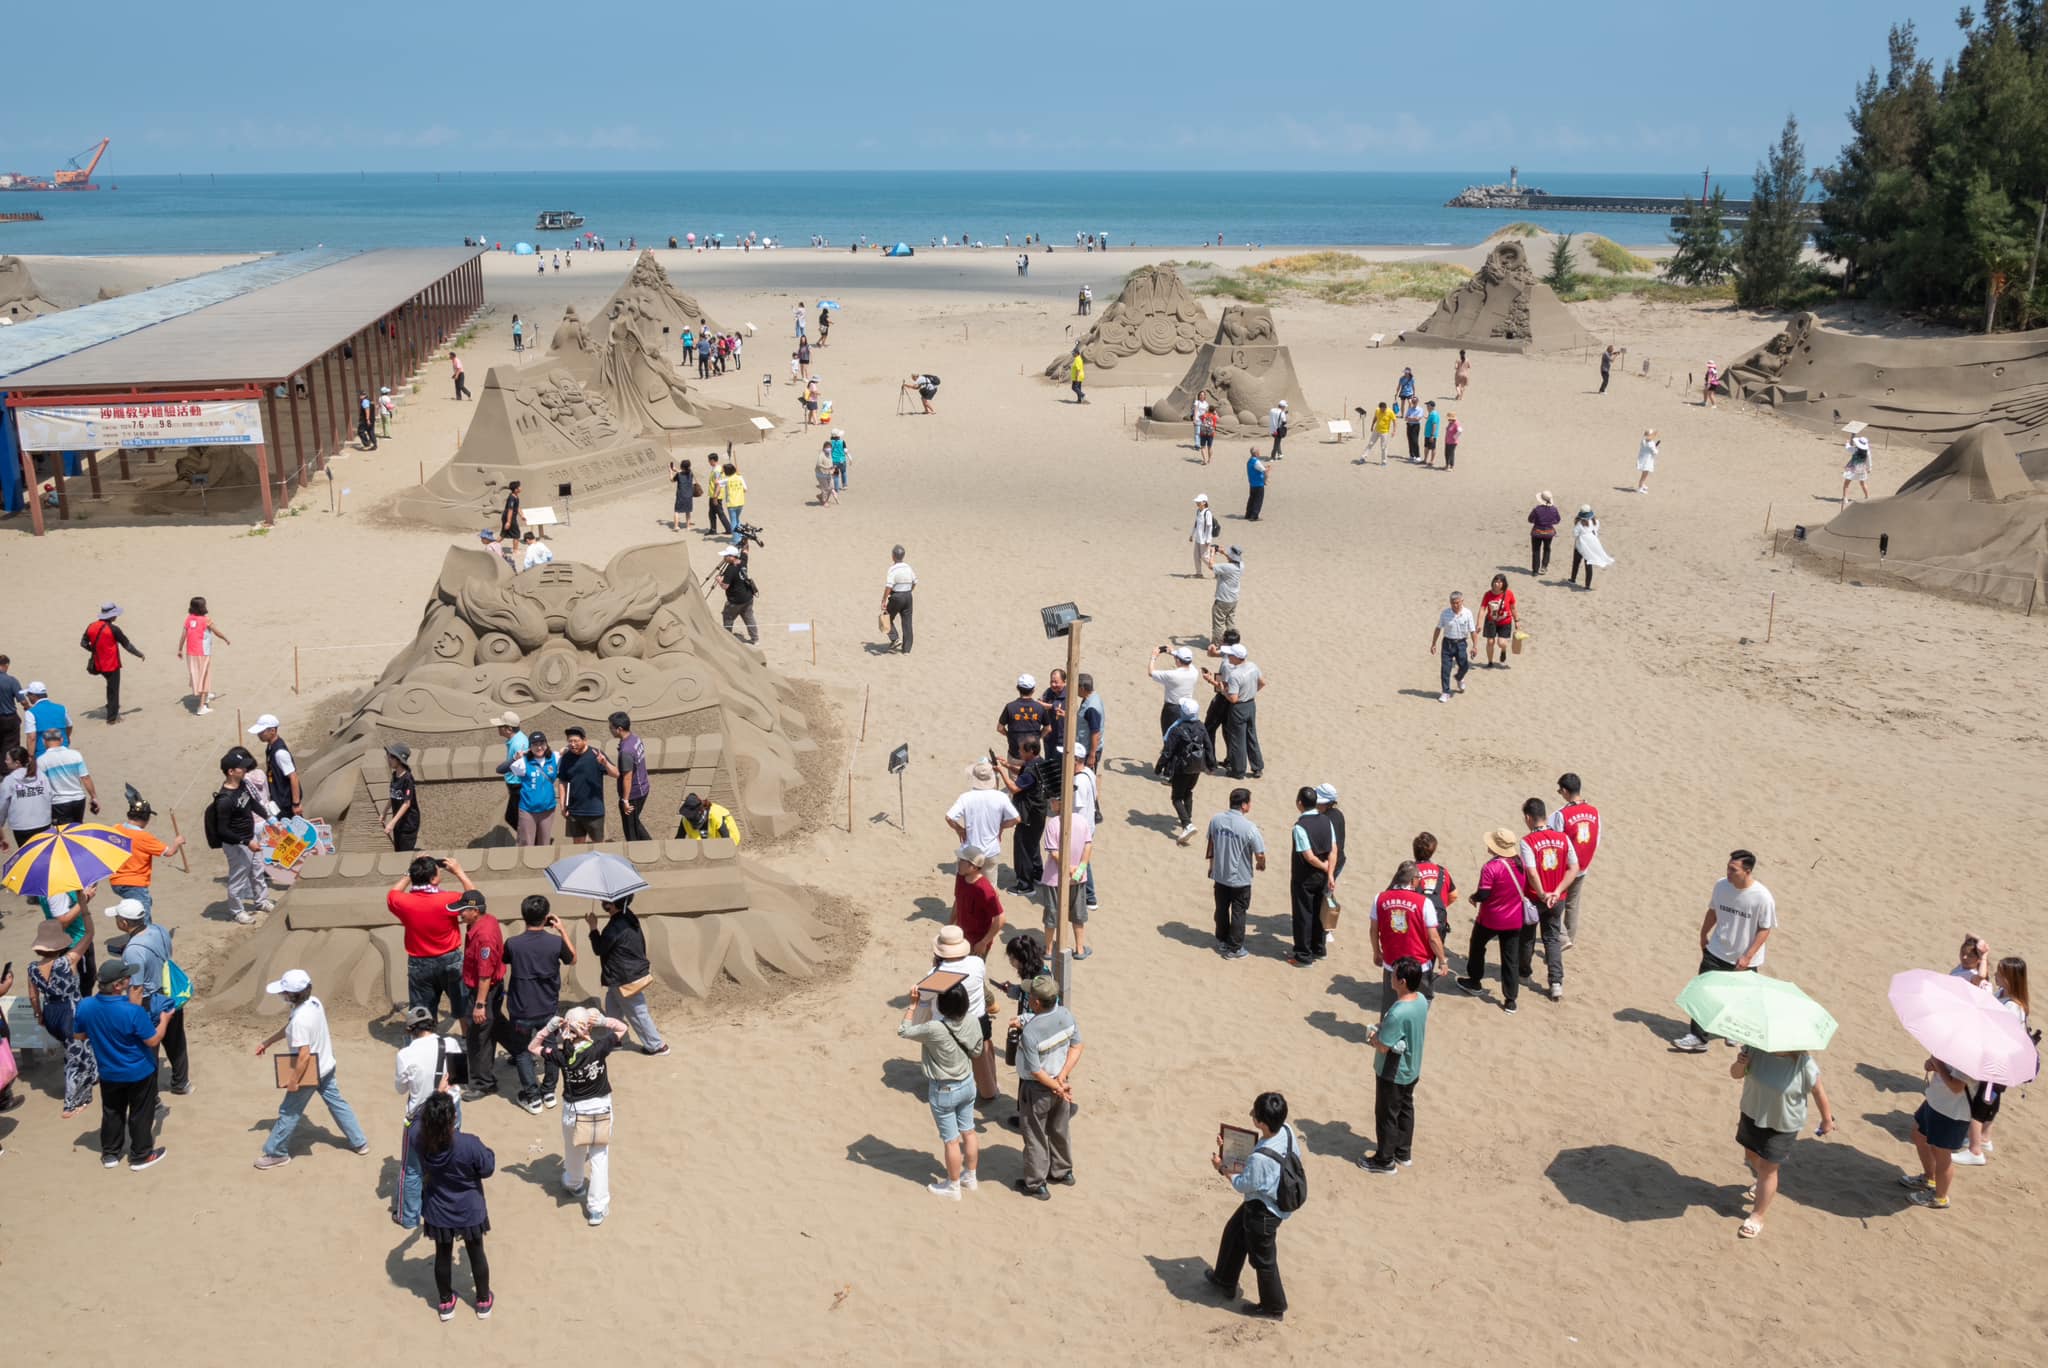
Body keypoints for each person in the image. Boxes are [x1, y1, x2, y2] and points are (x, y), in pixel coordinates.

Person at [253, 968, 370, 1168]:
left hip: (308, 1072)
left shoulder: (300, 1020)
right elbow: (290, 1028)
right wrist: (268, 1041)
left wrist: (293, 1081)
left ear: (291, 994)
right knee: (337, 1103)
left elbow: (304, 1055)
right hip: (327, 1065)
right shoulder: (314, 1002)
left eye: (283, 992)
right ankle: (359, 1142)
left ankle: (276, 1153)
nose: (281, 995)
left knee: (289, 1110)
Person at [530, 1006, 630, 1225]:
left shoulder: (560, 1054)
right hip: (600, 1110)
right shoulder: (599, 1047)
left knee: (573, 1149)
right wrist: (603, 1020)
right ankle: (597, 1208)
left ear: (565, 1027)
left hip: (573, 1113)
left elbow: (533, 1047)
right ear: (588, 1026)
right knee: (599, 1157)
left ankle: (574, 1183)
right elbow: (623, 1028)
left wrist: (548, 1028)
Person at [1204, 1089, 1295, 1320]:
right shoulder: (1286, 1131)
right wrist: (1231, 1146)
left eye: (1254, 1113)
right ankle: (1224, 1279)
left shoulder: (1260, 1159)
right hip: (1265, 1200)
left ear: (1262, 1123)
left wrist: (1222, 1167)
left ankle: (1274, 1307)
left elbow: (1243, 1184)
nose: (1251, 1115)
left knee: (1263, 1259)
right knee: (1234, 1232)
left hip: (1264, 1211)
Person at [74, 960, 173, 1169]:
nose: (131, 980)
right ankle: (141, 1155)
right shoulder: (132, 1011)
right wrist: (165, 1018)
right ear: (118, 985)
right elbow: (153, 1040)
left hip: (109, 1072)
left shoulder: (85, 1006)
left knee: (112, 1112)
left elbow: (79, 1035)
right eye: (127, 977)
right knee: (140, 1113)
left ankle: (110, 1154)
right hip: (139, 1071)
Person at [1675, 851, 1778, 1051]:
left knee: (1739, 998)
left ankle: (1733, 1032)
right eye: (1728, 868)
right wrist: (1703, 934)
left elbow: (1765, 929)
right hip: (1716, 949)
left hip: (1745, 959)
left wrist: (1748, 956)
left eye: (1734, 870)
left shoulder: (1762, 897)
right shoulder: (1721, 886)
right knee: (1702, 993)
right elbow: (1713, 911)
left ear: (1747, 871)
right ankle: (1698, 1037)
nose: (1728, 873)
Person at [1730, 1044, 1835, 1238]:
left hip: (1783, 1125)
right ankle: (1761, 1181)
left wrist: (1827, 1119)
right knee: (1751, 1155)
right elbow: (1736, 1074)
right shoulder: (1754, 1050)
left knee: (1768, 1170)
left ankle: (1757, 1216)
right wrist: (1740, 1063)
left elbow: (1819, 1092)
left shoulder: (1804, 1064)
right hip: (1752, 1113)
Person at [898, 978, 986, 1199]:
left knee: (951, 1140)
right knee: (969, 1130)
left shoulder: (935, 1028)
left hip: (944, 1089)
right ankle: (970, 1177)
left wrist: (912, 1005)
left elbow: (904, 1031)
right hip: (967, 1083)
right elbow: (976, 1051)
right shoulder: (973, 1021)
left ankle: (953, 1186)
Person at [414, 1091, 496, 1320]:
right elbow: (488, 1167)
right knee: (476, 1252)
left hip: (438, 1208)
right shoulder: (468, 1143)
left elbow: (413, 1124)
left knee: (442, 1254)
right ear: (453, 1119)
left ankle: (445, 1303)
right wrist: (487, 1153)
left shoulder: (420, 1141)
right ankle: (482, 1301)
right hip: (469, 1209)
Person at [109, 896, 191, 1094]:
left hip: (149, 1001)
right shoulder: (160, 930)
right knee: (176, 1041)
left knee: (147, 1051)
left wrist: (131, 1020)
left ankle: (151, 1098)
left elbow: (136, 989)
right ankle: (181, 1083)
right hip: (169, 994)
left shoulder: (133, 951)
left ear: (124, 922)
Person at [504, 895, 577, 1113]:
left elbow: (505, 959)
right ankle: (548, 1092)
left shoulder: (513, 943)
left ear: (523, 915)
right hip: (548, 1007)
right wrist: (562, 930)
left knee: (523, 1052)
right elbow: (572, 958)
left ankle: (533, 1097)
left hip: (521, 1009)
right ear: (546, 918)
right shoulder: (555, 942)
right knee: (551, 1049)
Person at [392, 1005, 463, 1228]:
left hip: (421, 1116)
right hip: (451, 1112)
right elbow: (460, 1075)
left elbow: (401, 1089)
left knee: (411, 1168)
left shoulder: (405, 1054)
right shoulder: (450, 1043)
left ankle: (409, 1218)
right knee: (448, 1161)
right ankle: (447, 1208)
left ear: (410, 1029)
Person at [1014, 975, 1083, 1198]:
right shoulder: (1066, 1015)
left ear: (1035, 1002)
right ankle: (1063, 1172)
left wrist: (1056, 1085)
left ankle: (1036, 1183)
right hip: (1061, 1084)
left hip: (1037, 1090)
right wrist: (1062, 1079)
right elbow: (1077, 1046)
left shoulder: (1031, 1033)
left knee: (1035, 1136)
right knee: (1059, 1129)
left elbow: (1036, 1071)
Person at [1957, 957, 2030, 1165]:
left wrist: (1988, 1004)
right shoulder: (2002, 995)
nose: (1996, 975)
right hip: (1996, 1059)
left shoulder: (2015, 1007)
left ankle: (1975, 1150)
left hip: (1998, 1062)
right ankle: (1985, 1138)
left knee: (1980, 1102)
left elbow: (1999, 1029)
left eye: (2000, 972)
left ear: (2009, 978)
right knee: (1992, 1099)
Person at [387, 854, 477, 1019]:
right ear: (434, 879)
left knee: (422, 1012)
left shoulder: (401, 902)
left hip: (419, 963)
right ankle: (465, 1040)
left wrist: (412, 870)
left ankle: (424, 1041)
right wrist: (459, 872)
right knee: (463, 1004)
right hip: (451, 959)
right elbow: (475, 900)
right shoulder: (449, 900)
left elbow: (393, 892)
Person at [1361, 958, 1430, 1173]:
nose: (1390, 975)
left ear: (1401, 981)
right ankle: (1403, 1152)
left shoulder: (1399, 1012)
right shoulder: (1420, 1000)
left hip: (1393, 1072)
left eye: (1393, 974)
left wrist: (1373, 1036)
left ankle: (1384, 1160)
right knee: (1406, 1109)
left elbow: (1383, 1046)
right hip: (1412, 1067)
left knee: (1386, 1115)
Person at [1454, 829, 1531, 1014]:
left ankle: (1474, 981)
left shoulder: (1491, 867)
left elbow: (1484, 893)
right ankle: (1510, 999)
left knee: (1477, 946)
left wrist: (1474, 897)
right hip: (1514, 918)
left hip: (1491, 918)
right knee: (1510, 958)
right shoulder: (1520, 863)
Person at [30, 919, 98, 1115]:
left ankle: (93, 1075)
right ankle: (72, 1102)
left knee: (82, 1046)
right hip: (71, 1012)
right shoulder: (68, 961)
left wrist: (40, 1016)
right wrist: (84, 906)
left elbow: (34, 996)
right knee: (75, 1055)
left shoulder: (32, 968)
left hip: (51, 1012)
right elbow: (89, 933)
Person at [585, 896, 667, 1055]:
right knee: (612, 1006)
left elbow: (599, 949)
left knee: (637, 1012)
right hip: (625, 973)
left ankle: (657, 1046)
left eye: (606, 901)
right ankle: (614, 1039)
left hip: (624, 977)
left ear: (612, 905)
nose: (603, 903)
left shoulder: (615, 926)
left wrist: (593, 927)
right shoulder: (628, 916)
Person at [1516, 798, 1579, 1002]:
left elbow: (1532, 873)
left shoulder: (1528, 841)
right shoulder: (1563, 838)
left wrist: (1543, 893)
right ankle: (1556, 982)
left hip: (1535, 898)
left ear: (1528, 818)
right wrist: (1557, 891)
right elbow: (1574, 868)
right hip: (1557, 898)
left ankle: (1524, 973)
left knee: (1527, 936)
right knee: (1552, 938)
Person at [1901, 1054, 1976, 1210]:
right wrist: (1931, 1063)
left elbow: (1956, 1087)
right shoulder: (1949, 1043)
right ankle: (1930, 1178)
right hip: (1936, 1100)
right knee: (1918, 1135)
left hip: (1952, 1112)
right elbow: (1938, 1066)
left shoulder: (1971, 1055)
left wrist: (1938, 1065)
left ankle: (1940, 1197)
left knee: (1941, 1153)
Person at [210, 747, 272, 923]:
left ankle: (261, 901)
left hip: (249, 837)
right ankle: (237, 911)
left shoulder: (242, 785)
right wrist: (245, 841)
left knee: (257, 870)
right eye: (241, 768)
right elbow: (223, 831)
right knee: (239, 876)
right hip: (236, 843)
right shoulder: (224, 800)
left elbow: (252, 803)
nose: (245, 769)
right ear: (231, 772)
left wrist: (269, 818)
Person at [1371, 864, 1445, 1005]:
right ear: (1413, 880)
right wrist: (1442, 960)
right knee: (1421, 1002)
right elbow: (1433, 938)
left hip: (1391, 962)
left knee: (1390, 1004)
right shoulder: (1424, 903)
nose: (1420, 881)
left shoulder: (1379, 899)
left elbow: (1373, 930)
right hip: (1418, 964)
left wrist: (1377, 952)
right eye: (1419, 878)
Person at [1206, 786, 1266, 959]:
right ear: (1245, 805)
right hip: (1240, 879)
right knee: (1239, 911)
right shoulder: (1249, 828)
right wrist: (1261, 864)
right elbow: (1260, 853)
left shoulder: (1216, 820)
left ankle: (1222, 940)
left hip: (1220, 875)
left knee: (1221, 909)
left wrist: (1211, 867)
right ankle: (1235, 948)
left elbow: (1211, 846)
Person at [457, 891, 504, 1099]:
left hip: (483, 991)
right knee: (488, 1033)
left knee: (478, 1038)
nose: (460, 914)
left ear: (475, 911)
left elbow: (484, 974)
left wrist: (480, 1004)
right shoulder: (486, 921)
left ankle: (482, 1084)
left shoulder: (483, 937)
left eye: (463, 910)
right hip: (486, 989)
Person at [1037, 788, 1094, 958]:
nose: (1051, 803)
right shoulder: (1082, 821)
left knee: (1051, 914)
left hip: (1055, 878)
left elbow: (1054, 852)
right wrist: (1080, 867)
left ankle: (1048, 950)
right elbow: (1088, 845)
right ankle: (1080, 948)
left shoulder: (1053, 824)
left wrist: (1068, 867)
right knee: (1078, 913)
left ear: (1060, 802)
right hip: (1078, 878)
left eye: (1053, 800)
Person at [107, 793, 181, 921]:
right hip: (134, 883)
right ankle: (142, 939)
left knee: (138, 908)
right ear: (146, 819)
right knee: (142, 917)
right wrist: (177, 843)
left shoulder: (115, 828)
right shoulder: (144, 837)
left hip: (116, 881)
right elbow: (169, 852)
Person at [1285, 787, 1336, 966]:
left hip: (1305, 878)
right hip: (1322, 878)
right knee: (1319, 913)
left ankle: (1303, 955)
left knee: (1303, 915)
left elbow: (1309, 856)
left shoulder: (1299, 827)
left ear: (1300, 803)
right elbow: (1333, 849)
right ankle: (1319, 948)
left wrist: (1323, 867)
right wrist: (1329, 873)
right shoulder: (1326, 821)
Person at [1549, 774, 1600, 949]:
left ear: (1564, 790)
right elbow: (1596, 838)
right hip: (1583, 865)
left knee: (1552, 900)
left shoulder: (1561, 814)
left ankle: (1562, 937)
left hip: (1566, 867)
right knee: (1573, 903)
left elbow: (1555, 842)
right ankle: (1569, 936)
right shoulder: (1594, 811)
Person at [995, 737, 1049, 894]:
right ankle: (1038, 874)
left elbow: (1014, 788)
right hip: (1039, 811)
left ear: (1031, 751)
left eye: (1022, 750)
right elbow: (1022, 772)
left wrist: (1001, 771)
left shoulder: (1031, 770)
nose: (1019, 752)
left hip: (1029, 813)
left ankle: (1025, 884)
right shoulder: (1039, 763)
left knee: (1023, 845)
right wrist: (1007, 765)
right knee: (1032, 844)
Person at [1157, 698, 1214, 844]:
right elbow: (1208, 746)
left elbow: (1168, 751)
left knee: (1176, 797)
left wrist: (1159, 767)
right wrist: (1211, 764)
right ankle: (1188, 817)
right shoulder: (1200, 726)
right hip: (1197, 765)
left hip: (1181, 767)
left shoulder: (1177, 730)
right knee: (1188, 792)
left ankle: (1187, 825)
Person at [1207, 643, 1265, 781]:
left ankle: (1238, 771)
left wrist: (1221, 689)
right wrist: (1250, 693)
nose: (1228, 657)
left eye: (1231, 655)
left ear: (1236, 657)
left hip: (1239, 708)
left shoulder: (1235, 675)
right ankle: (1257, 767)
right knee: (1251, 735)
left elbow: (1233, 698)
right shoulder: (1253, 666)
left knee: (1237, 739)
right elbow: (1262, 683)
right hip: (1251, 704)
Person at [81, 603, 144, 725]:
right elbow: (127, 645)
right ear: (111, 616)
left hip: (98, 664)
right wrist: (139, 654)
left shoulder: (91, 626)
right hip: (112, 664)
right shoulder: (114, 629)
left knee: (110, 686)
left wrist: (94, 650)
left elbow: (83, 643)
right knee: (113, 690)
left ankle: (110, 705)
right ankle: (112, 718)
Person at [556, 726, 618, 845]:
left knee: (599, 846)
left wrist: (605, 763)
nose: (573, 744)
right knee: (578, 847)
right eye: (570, 741)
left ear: (585, 740)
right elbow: (562, 782)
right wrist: (562, 806)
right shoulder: (566, 757)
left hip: (594, 811)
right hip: (574, 811)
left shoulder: (596, 755)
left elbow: (616, 774)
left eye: (576, 741)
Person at [947, 759, 1021, 853]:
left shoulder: (965, 798)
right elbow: (1016, 819)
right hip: (992, 851)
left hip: (971, 851)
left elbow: (949, 818)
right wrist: (1001, 826)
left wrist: (960, 830)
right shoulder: (1001, 797)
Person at [176, 596, 228, 715]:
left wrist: (179, 649)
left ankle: (206, 694)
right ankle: (201, 707)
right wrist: (225, 638)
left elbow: (183, 635)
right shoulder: (206, 620)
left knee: (196, 675)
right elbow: (216, 631)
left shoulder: (189, 619)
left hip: (190, 653)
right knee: (204, 678)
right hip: (203, 653)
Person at [39, 727, 98, 825]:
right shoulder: (75, 755)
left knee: (63, 833)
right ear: (61, 739)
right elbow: (85, 777)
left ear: (43, 741)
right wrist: (94, 797)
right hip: (78, 800)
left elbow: (42, 785)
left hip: (59, 802)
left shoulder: (42, 760)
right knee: (77, 828)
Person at [509, 731, 560, 845]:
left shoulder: (555, 757)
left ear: (546, 744)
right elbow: (500, 769)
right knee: (526, 844)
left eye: (542, 743)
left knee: (544, 844)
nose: (539, 747)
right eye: (535, 744)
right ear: (530, 747)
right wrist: (514, 758)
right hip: (528, 810)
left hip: (547, 810)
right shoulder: (524, 761)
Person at [249, 713, 304, 818]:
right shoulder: (270, 747)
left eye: (262, 731)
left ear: (273, 731)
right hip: (279, 801)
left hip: (287, 804)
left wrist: (296, 804)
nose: (259, 734)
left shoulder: (280, 753)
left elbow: (293, 777)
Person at [1429, 589, 1476, 704]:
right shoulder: (1445, 613)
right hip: (1447, 644)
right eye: (1453, 603)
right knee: (1445, 669)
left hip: (1461, 643)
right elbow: (1438, 628)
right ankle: (1445, 692)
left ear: (1462, 601)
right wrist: (1433, 643)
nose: (1455, 605)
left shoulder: (1467, 613)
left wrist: (1475, 646)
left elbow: (1472, 631)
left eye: (1457, 602)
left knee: (1464, 665)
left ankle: (1459, 677)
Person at [0, 744, 52, 847]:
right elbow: (50, 795)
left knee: (27, 856)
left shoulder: (9, 780)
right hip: (43, 823)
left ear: (17, 763)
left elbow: (2, 806)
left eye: (7, 759)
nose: (5, 762)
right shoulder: (40, 776)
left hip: (22, 827)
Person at [1413, 832, 1457, 943]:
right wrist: (1440, 903)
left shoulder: (1410, 871)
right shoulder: (1443, 872)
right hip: (1437, 923)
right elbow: (1454, 895)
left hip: (1415, 923)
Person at [1148, 646, 1201, 737]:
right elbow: (1188, 663)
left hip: (1172, 710)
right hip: (1187, 709)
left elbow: (1151, 672)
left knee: (1169, 737)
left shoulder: (1173, 675)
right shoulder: (1194, 672)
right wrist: (1173, 652)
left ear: (1178, 660)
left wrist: (1153, 657)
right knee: (1184, 737)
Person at [715, 547, 760, 645]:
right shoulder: (742, 560)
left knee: (727, 617)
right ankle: (755, 639)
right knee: (749, 617)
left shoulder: (731, 569)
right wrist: (745, 539)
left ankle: (727, 640)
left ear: (732, 557)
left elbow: (725, 586)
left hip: (735, 601)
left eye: (726, 556)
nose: (724, 557)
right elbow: (746, 550)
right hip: (748, 597)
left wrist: (719, 580)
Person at [490, 711, 526, 831]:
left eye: (500, 726)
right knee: (514, 818)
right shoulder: (517, 739)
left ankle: (537, 841)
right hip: (516, 785)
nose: (498, 728)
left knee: (514, 818)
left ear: (509, 729)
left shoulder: (518, 744)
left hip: (518, 785)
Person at [997, 674, 1047, 760]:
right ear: (1033, 690)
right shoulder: (1039, 707)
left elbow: (1000, 728)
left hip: (1015, 752)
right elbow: (1048, 728)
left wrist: (1009, 735)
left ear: (1017, 688)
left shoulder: (1010, 707)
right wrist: (1038, 737)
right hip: (1033, 754)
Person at [383, 743, 421, 851]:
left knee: (405, 852)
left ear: (399, 759)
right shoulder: (395, 776)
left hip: (408, 823)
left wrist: (391, 823)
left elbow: (406, 803)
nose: (388, 759)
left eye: (391, 757)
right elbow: (393, 795)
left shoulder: (408, 779)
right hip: (398, 822)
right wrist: (384, 812)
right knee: (398, 850)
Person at [881, 545, 917, 653]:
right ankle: (906, 650)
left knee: (885, 618)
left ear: (893, 556)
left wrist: (884, 600)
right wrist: (909, 591)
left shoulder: (892, 569)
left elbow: (889, 586)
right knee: (907, 622)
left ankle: (895, 638)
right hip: (908, 596)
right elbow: (915, 582)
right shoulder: (908, 567)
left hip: (897, 596)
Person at [1205, 545, 1244, 645]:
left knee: (1218, 623)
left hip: (1223, 600)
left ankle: (1217, 645)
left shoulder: (1228, 567)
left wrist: (1212, 552)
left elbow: (1211, 565)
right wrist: (1223, 553)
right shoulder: (1241, 565)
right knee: (1230, 621)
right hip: (1234, 599)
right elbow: (1232, 559)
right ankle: (1232, 642)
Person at [1570, 505, 1612, 589]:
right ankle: (1587, 585)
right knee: (1589, 564)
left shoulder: (1579, 523)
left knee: (1576, 562)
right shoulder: (1595, 521)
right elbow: (1595, 530)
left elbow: (1575, 534)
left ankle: (1573, 579)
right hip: (1592, 543)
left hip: (1580, 545)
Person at [1479, 574, 1516, 668]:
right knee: (1490, 642)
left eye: (1499, 582)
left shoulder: (1509, 593)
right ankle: (1490, 662)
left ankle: (1503, 650)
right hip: (1491, 621)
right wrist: (1479, 623)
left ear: (1503, 583)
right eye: (1495, 581)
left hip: (1505, 621)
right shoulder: (1488, 594)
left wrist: (1517, 621)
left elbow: (1513, 608)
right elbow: (1482, 608)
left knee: (1501, 643)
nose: (1496, 584)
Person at [676, 791, 741, 843]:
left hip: (724, 844)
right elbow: (678, 840)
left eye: (691, 816)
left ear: (700, 811)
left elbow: (727, 841)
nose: (689, 819)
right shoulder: (685, 819)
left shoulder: (715, 814)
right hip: (703, 848)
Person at [23, 681, 72, 746]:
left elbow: (31, 737)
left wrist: (31, 755)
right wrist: (66, 738)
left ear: (33, 695)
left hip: (42, 752)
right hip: (63, 748)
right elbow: (69, 726)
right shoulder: (62, 708)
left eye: (28, 695)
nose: (27, 697)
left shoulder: (30, 712)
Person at [1528, 492, 1561, 575]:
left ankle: (1535, 570)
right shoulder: (1554, 509)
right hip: (1549, 532)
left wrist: (1537, 521)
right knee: (1547, 549)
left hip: (1537, 532)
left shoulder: (1537, 509)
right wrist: (1549, 522)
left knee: (1536, 550)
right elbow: (1557, 520)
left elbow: (1530, 519)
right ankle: (1544, 567)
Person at [1188, 495, 1217, 578]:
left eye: (1199, 502)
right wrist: (1192, 535)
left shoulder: (1207, 513)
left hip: (1204, 540)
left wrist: (1208, 539)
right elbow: (1196, 524)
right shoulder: (1198, 511)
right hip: (1198, 538)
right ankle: (1199, 573)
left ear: (1204, 502)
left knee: (1204, 557)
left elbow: (1209, 526)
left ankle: (1218, 571)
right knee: (1196, 556)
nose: (1197, 503)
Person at [1842, 435, 1873, 507]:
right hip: (1861, 469)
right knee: (1862, 483)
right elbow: (1869, 462)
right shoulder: (1867, 453)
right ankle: (1867, 496)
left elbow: (1848, 448)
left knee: (1846, 484)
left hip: (1852, 468)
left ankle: (1845, 498)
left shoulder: (1855, 449)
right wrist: (1869, 469)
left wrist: (1847, 443)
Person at [669, 459, 696, 532]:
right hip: (689, 495)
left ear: (681, 466)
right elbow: (684, 473)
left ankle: (676, 526)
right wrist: (676, 470)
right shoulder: (691, 473)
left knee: (677, 511)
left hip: (681, 495)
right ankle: (688, 526)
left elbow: (672, 480)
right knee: (688, 511)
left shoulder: (679, 474)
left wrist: (671, 472)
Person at [1366, 401, 1394, 466]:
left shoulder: (1390, 412)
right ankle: (1363, 457)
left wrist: (1394, 431)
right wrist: (1372, 425)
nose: (1383, 410)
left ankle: (1384, 461)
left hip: (1384, 432)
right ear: (1380, 408)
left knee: (1383, 447)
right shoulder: (1377, 410)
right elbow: (1375, 418)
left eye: (1384, 409)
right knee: (1370, 443)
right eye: (1382, 409)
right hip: (1376, 430)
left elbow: (1394, 421)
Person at [1243, 448, 1267, 521]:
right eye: (1258, 452)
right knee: (1258, 500)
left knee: (1252, 499)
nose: (1259, 453)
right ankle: (1254, 515)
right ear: (1256, 453)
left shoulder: (1249, 461)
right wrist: (1265, 480)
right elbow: (1264, 470)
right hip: (1258, 483)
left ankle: (1248, 514)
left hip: (1252, 483)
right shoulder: (1256, 462)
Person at [1636, 429, 1659, 493]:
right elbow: (1655, 452)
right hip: (1647, 461)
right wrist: (1656, 448)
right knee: (1644, 475)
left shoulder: (1643, 441)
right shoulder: (1651, 444)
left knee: (1644, 474)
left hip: (1642, 459)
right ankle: (1640, 488)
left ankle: (1642, 485)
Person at [1403, 396, 1424, 461]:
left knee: (1415, 441)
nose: (1413, 402)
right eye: (1412, 401)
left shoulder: (1420, 409)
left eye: (1415, 401)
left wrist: (1410, 418)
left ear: (1417, 402)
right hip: (1409, 425)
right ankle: (1412, 455)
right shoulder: (1410, 409)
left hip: (1415, 426)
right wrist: (1413, 418)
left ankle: (1417, 456)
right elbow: (1406, 418)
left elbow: (1418, 419)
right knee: (1410, 440)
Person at [1421, 400, 1440, 466]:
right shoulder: (1431, 413)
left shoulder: (1434, 414)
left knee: (1432, 448)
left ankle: (1432, 461)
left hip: (1431, 435)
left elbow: (1434, 424)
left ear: (1431, 406)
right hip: (1427, 434)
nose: (1427, 407)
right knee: (1426, 447)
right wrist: (1425, 417)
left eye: (1428, 405)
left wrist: (1432, 435)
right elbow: (1430, 420)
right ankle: (1425, 460)